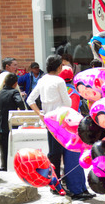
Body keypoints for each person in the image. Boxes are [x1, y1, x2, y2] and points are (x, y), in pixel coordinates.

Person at [27, 55, 72, 194]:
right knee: (60, 153)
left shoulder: (42, 80)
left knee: (53, 153)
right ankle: (57, 183)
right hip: (60, 121)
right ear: (59, 67)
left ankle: (54, 181)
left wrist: (39, 113)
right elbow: (68, 103)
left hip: (47, 120)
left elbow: (30, 100)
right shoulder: (59, 81)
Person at [57, 67, 93, 200]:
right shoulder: (73, 91)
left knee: (71, 159)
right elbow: (72, 111)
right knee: (74, 160)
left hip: (60, 127)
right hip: (72, 128)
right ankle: (78, 189)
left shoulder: (60, 90)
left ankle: (80, 188)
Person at [0, 73, 26, 171]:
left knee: (3, 146)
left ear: (5, 82)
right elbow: (20, 104)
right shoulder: (14, 92)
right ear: (15, 84)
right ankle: (15, 165)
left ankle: (4, 165)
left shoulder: (0, 92)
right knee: (14, 146)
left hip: (1, 124)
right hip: (11, 124)